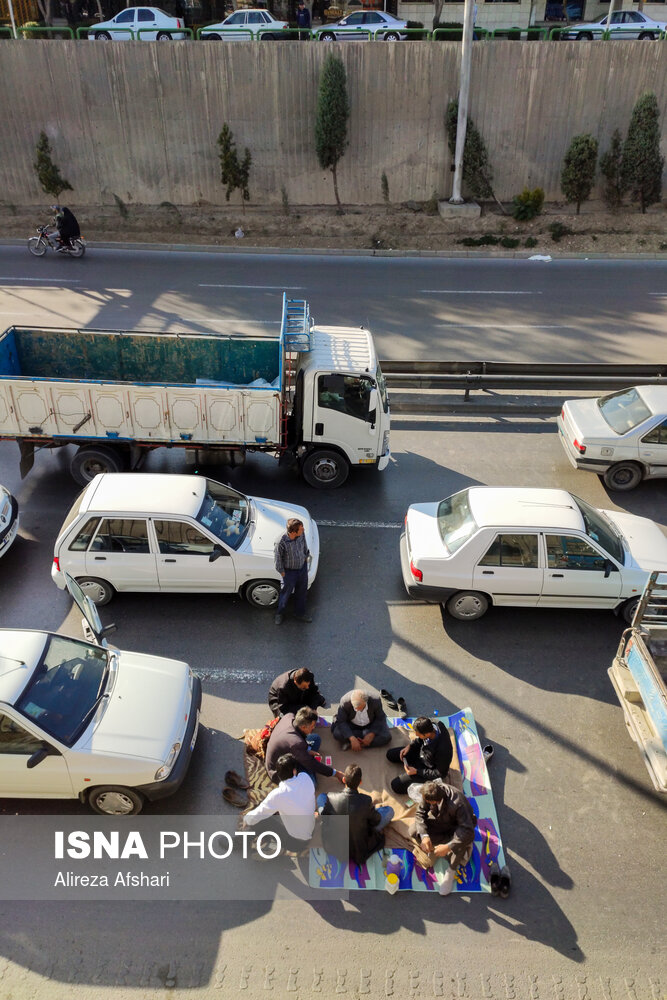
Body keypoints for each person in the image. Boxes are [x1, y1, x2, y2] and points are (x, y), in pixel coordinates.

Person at [317, 763, 394, 867]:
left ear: (344, 780)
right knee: (389, 811)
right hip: (360, 844)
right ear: (360, 782)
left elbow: (327, 816)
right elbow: (375, 820)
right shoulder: (366, 800)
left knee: (321, 797)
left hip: (335, 844)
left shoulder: (331, 798)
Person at [411, 779, 476, 894]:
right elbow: (420, 813)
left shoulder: (457, 803)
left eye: (428, 802)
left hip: (458, 829)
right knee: (413, 831)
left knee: (460, 844)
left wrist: (448, 847)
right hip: (441, 821)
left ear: (435, 801)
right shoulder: (429, 791)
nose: (424, 801)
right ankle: (435, 848)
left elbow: (468, 831)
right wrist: (425, 836)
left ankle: (451, 871)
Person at [243, 752, 316, 852]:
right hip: (309, 831)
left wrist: (246, 819)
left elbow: (258, 814)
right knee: (268, 809)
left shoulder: (278, 795)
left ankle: (239, 843)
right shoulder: (305, 777)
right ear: (294, 771)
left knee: (257, 820)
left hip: (296, 843)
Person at [265, 706, 344, 785]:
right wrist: (336, 773)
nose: (314, 728)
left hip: (289, 747)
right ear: (303, 727)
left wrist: (307, 751)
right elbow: (311, 763)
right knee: (312, 782)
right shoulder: (297, 743)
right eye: (312, 726)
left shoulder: (289, 716)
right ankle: (305, 764)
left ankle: (304, 757)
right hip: (279, 770)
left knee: (316, 738)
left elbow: (294, 744)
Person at [386, 715, 453, 795]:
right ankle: (414, 764)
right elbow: (420, 740)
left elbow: (439, 773)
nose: (417, 736)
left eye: (419, 735)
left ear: (427, 734)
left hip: (428, 768)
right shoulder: (433, 723)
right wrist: (410, 746)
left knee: (396, 785)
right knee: (390, 754)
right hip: (422, 753)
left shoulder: (443, 750)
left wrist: (417, 772)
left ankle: (418, 776)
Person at [274, 517, 311, 626]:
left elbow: (304, 545)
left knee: (302, 592)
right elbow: (278, 559)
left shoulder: (301, 535)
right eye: (300, 529)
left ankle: (299, 613)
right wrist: (282, 573)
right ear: (293, 532)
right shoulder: (281, 541)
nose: (303, 530)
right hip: (289, 572)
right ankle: (279, 613)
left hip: (302, 568)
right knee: (285, 594)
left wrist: (306, 556)